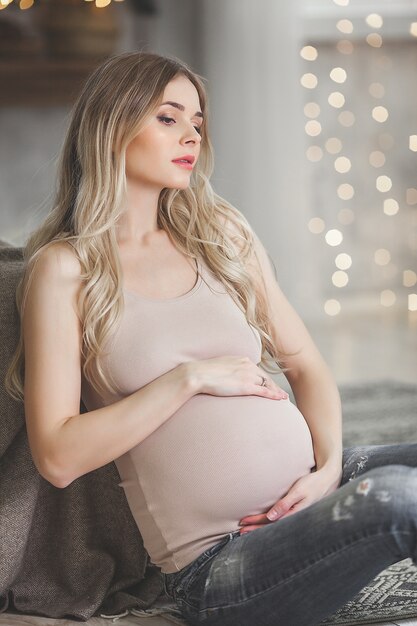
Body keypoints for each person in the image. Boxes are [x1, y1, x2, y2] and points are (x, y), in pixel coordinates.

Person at [5, 51, 417, 626]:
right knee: (398, 499)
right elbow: (57, 454)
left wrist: (325, 474)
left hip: (312, 492)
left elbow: (307, 367)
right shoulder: (66, 270)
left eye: (197, 121)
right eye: (168, 118)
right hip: (224, 567)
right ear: (112, 125)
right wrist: (188, 378)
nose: (191, 136)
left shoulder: (219, 235)